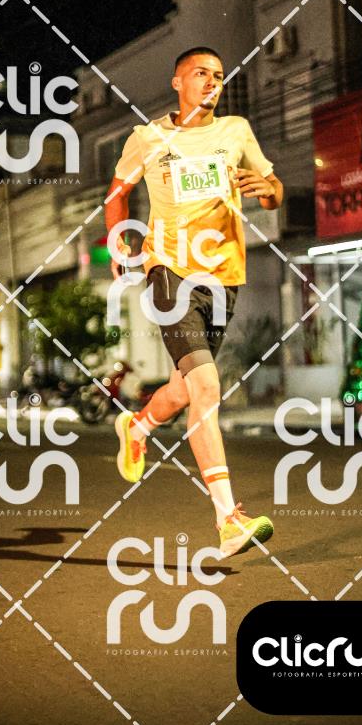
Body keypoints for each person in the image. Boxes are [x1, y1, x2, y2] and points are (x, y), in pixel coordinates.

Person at [104, 47, 283, 558]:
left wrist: (268, 189)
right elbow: (117, 193)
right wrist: (119, 242)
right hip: (170, 271)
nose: (212, 82)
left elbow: (272, 191)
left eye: (219, 76)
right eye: (201, 73)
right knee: (207, 386)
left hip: (223, 278)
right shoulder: (148, 138)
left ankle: (138, 424)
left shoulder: (236, 131)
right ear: (177, 82)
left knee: (185, 389)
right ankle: (228, 520)